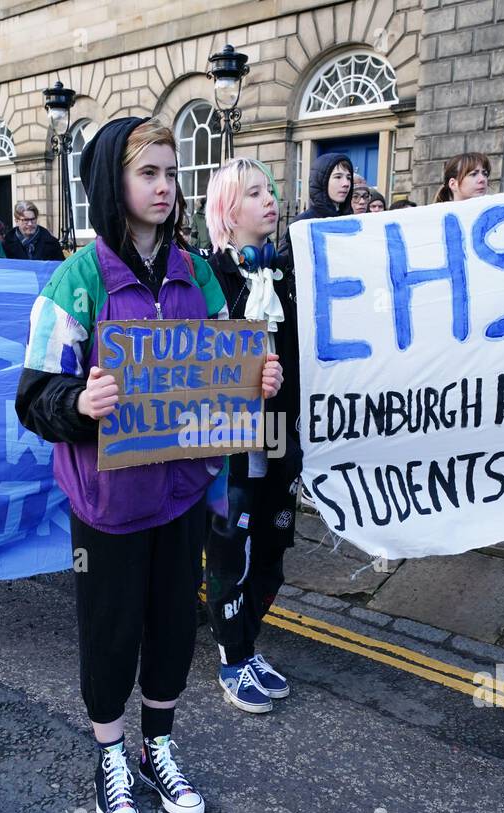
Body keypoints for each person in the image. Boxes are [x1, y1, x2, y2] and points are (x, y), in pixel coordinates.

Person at [17, 117, 281, 813]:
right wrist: (80, 401)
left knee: (171, 628)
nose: (165, 187)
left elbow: (231, 365)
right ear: (114, 183)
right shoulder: (77, 280)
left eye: (171, 173)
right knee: (110, 632)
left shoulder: (199, 272)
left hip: (182, 491)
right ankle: (108, 755)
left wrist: (258, 377)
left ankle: (156, 745)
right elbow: (32, 397)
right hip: (108, 503)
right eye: (148, 174)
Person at [199, 157, 301, 714]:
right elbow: (195, 364)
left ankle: (247, 643)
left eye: (271, 190)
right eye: (255, 192)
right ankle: (231, 655)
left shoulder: (284, 273)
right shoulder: (207, 275)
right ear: (227, 209)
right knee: (229, 552)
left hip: (279, 432)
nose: (270, 200)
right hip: (231, 440)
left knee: (272, 552)